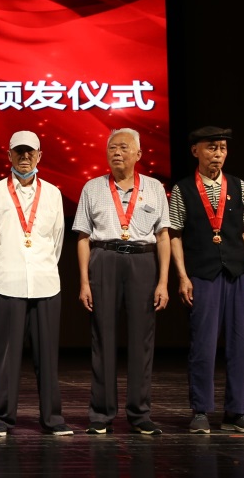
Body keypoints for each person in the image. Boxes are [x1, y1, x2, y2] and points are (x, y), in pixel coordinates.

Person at [73, 128, 170, 436]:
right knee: (102, 336)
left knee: (142, 338)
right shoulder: (92, 187)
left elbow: (163, 236)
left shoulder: (154, 187)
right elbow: (83, 237)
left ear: (138, 154)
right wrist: (84, 282)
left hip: (143, 260)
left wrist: (163, 281)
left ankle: (140, 414)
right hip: (104, 258)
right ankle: (101, 414)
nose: (116, 152)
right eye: (112, 148)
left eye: (124, 147)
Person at [169, 126, 244, 434]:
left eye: (222, 148)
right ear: (195, 151)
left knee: (241, 343)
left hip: (237, 272)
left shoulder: (238, 185)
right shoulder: (182, 188)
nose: (218, 154)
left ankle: (237, 411)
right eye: (211, 147)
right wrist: (182, 276)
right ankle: (200, 410)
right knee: (204, 344)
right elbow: (175, 234)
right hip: (203, 273)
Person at [0, 131, 71, 437]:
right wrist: (6, 264)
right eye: (19, 151)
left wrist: (41, 264)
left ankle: (53, 419)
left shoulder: (53, 193)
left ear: (39, 155)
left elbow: (57, 239)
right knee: (7, 356)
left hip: (46, 283)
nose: (25, 157)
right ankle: (2, 419)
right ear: (9, 155)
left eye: (30, 152)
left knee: (48, 356)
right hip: (8, 282)